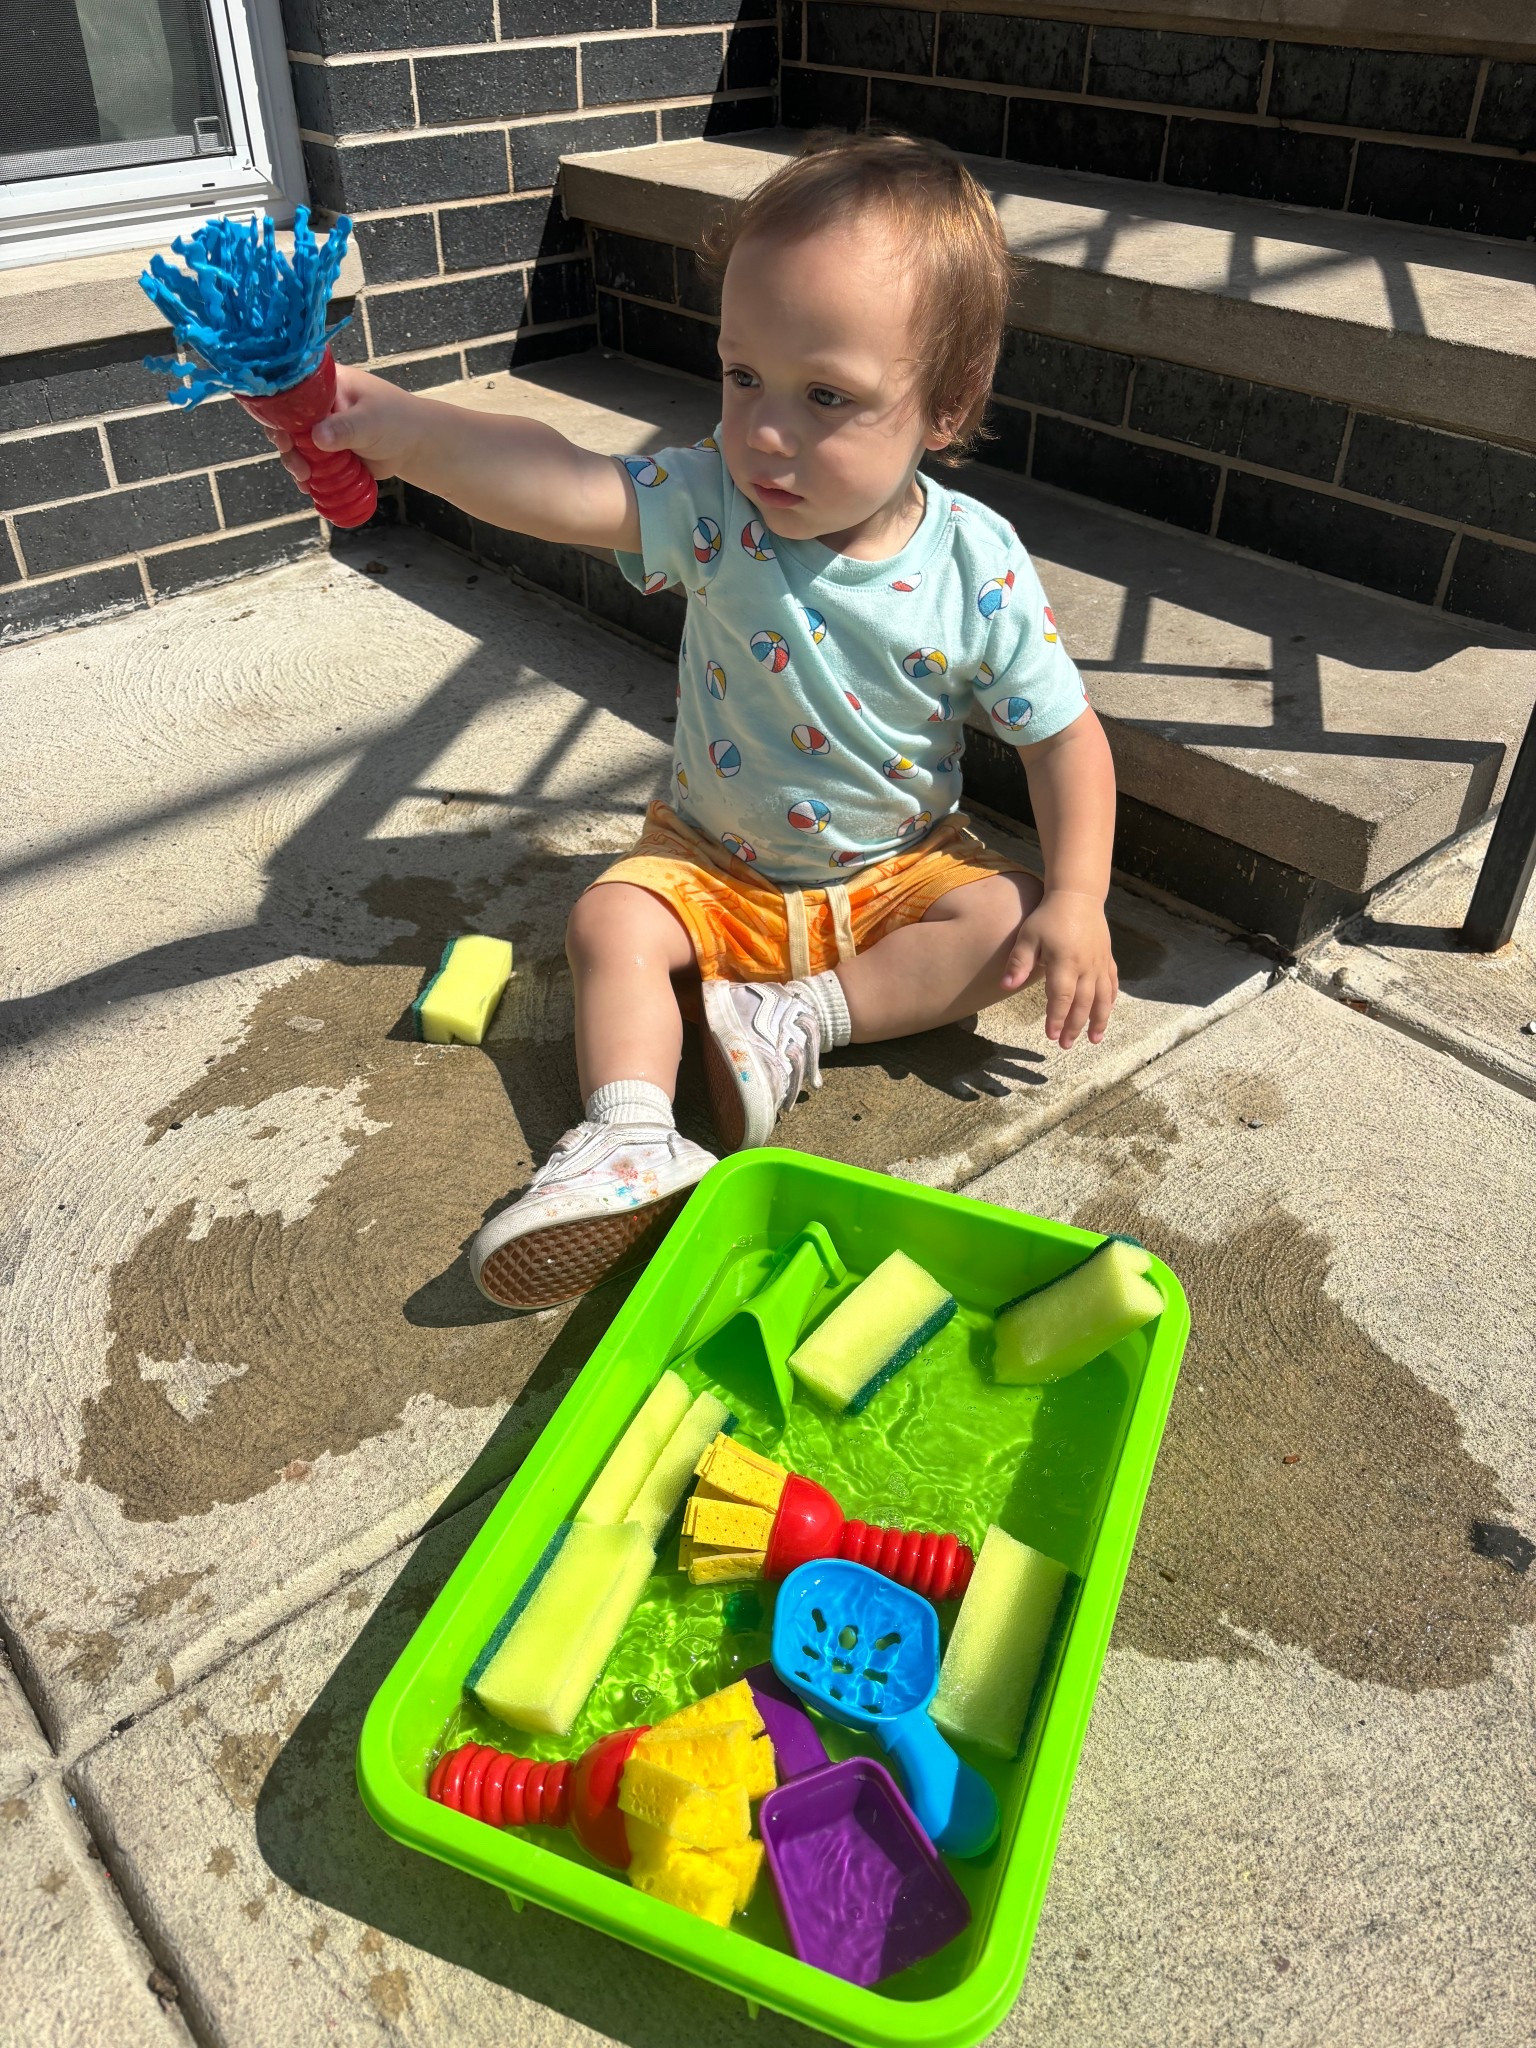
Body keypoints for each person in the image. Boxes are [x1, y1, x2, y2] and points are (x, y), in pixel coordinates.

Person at [264, 130, 1119, 1310]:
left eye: (827, 396)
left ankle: (798, 1016)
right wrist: (414, 433)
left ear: (945, 405)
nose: (766, 431)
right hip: (712, 856)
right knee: (611, 920)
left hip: (894, 873)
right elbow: (566, 481)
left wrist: (1080, 897)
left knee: (1011, 919)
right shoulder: (717, 509)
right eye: (742, 377)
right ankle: (629, 1135)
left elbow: (1063, 735)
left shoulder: (977, 564)